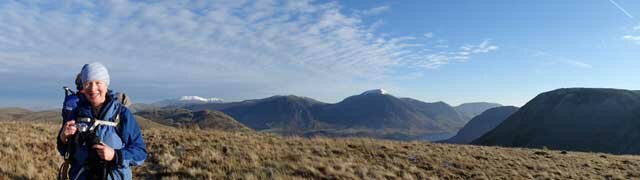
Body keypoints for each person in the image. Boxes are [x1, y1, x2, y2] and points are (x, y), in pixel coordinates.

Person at [57, 62, 147, 180]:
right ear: (83, 86)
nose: (93, 88)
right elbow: (64, 151)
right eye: (88, 83)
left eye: (98, 82)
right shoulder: (76, 113)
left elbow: (140, 152)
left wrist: (115, 155)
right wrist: (63, 138)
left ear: (106, 84)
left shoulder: (122, 114)